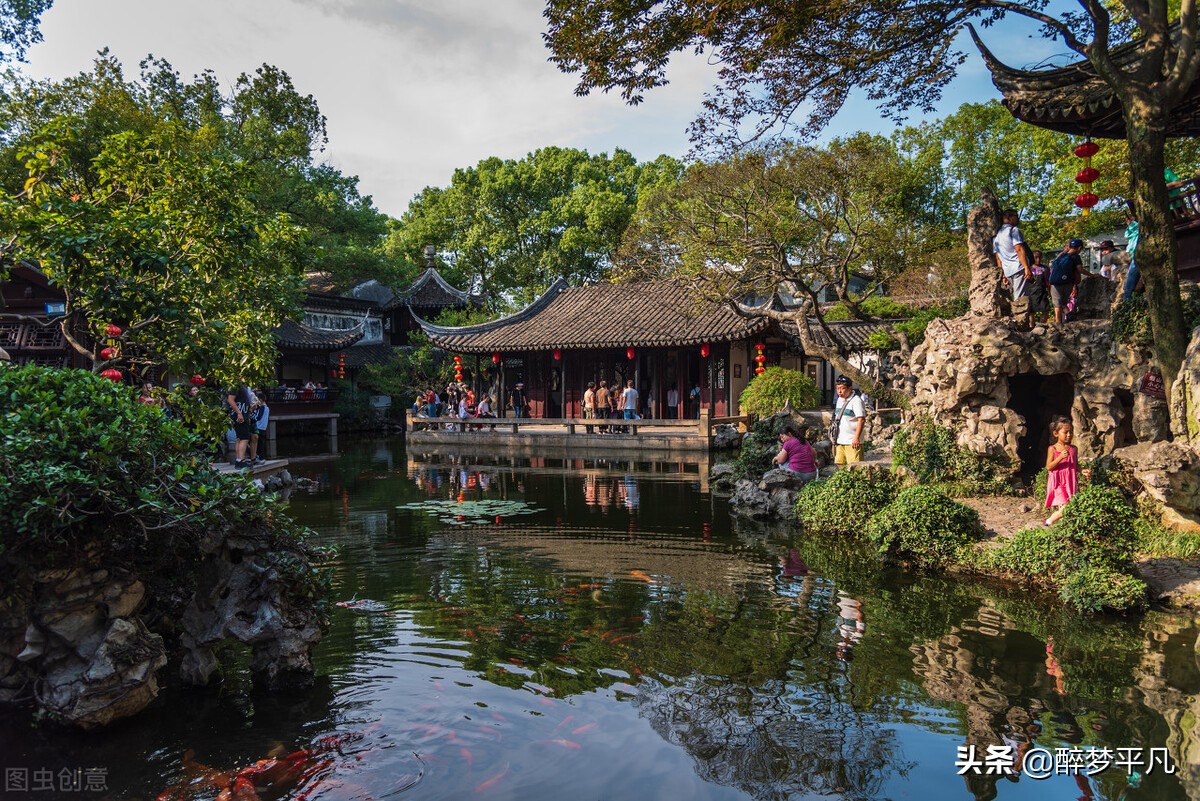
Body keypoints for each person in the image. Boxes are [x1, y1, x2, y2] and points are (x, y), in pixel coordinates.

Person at [993, 209, 1033, 324]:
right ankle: (1020, 324)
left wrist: (1003, 274)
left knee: (1016, 296)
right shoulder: (1014, 230)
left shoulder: (997, 236)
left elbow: (998, 258)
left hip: (1008, 270)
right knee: (1021, 298)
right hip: (1019, 268)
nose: (1018, 218)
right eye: (1016, 216)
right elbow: (1019, 249)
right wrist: (1026, 267)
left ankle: (1018, 322)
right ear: (1008, 217)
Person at [1044, 416, 1081, 526]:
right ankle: (1049, 521)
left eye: (1071, 432)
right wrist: (1060, 458)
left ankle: (1061, 526)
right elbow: (1049, 467)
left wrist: (1082, 470)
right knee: (1066, 506)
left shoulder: (1073, 449)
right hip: (1058, 483)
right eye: (1065, 432)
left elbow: (1075, 464)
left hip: (1071, 481)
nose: (1069, 435)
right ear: (1056, 434)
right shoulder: (1052, 449)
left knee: (1070, 505)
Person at [1047, 238, 1084, 325]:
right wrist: (1092, 275)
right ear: (1079, 248)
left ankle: (1058, 323)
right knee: (1063, 303)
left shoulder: (1061, 256)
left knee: (1057, 304)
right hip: (1068, 283)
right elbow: (1080, 270)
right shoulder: (1076, 257)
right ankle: (1068, 315)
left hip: (1055, 282)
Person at [831, 375, 865, 467]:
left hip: (852, 441)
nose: (840, 391)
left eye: (842, 388)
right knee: (839, 462)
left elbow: (861, 419)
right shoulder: (839, 400)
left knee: (855, 467)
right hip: (840, 439)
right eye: (838, 388)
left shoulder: (856, 401)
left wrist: (856, 437)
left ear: (850, 388)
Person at [224, 385, 256, 468]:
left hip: (242, 414)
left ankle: (239, 460)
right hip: (239, 416)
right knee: (244, 438)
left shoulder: (244, 387)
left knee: (239, 438)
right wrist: (239, 413)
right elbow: (230, 399)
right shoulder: (236, 386)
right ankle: (241, 460)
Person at [1026, 249, 1050, 325]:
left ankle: (1041, 325)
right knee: (1030, 311)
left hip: (1042, 292)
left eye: (1039, 257)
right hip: (1030, 292)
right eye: (1036, 257)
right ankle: (1031, 326)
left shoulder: (1045, 269)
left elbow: (1048, 281)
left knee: (1046, 309)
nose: (1038, 259)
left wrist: (1049, 291)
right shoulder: (1027, 268)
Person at [1121, 211, 1141, 301]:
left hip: (1137, 253)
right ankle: (1127, 298)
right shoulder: (1135, 227)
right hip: (1137, 252)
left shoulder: (1134, 227)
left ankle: (1127, 299)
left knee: (1132, 276)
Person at [248, 390, 270, 465]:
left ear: (260, 400)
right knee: (261, 443)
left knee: (257, 442)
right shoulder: (267, 408)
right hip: (264, 427)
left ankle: (258, 457)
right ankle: (260, 457)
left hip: (259, 427)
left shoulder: (262, 408)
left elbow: (258, 417)